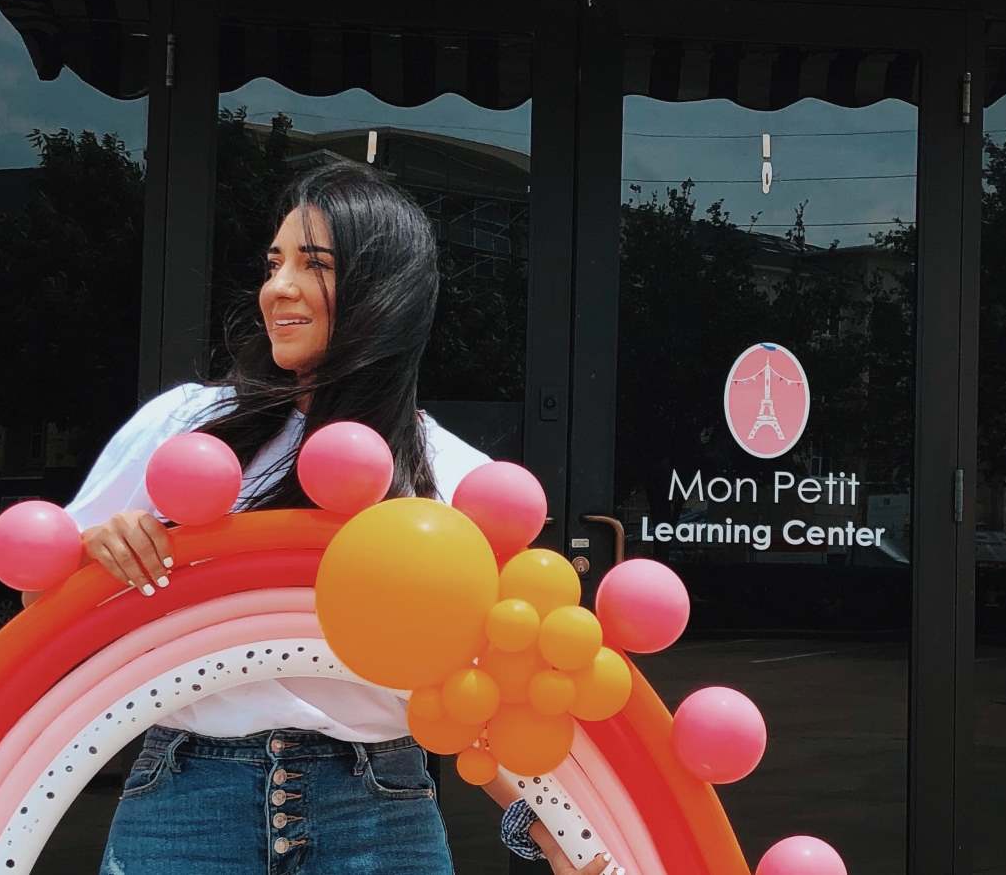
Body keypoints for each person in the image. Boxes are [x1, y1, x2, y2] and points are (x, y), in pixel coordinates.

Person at [65, 153, 613, 875]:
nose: (277, 289)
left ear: (381, 292)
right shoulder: (189, 429)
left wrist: (545, 817)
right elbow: (44, 610)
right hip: (187, 794)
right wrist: (98, 552)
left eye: (313, 264)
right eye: (273, 263)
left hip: (377, 804)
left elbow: (481, 692)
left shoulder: (452, 479)